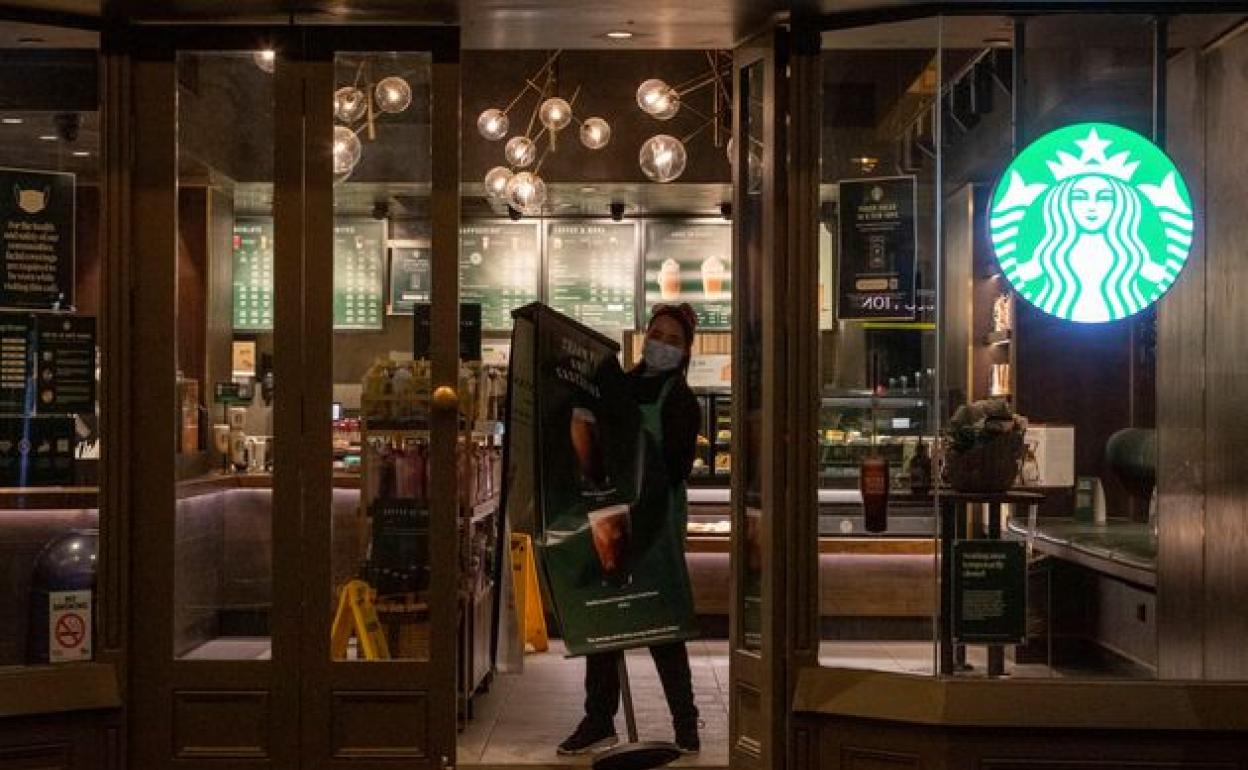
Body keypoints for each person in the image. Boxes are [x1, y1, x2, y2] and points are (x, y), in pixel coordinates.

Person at [558, 303, 703, 756]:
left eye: (673, 340)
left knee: (662, 621)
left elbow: (677, 467)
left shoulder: (681, 400)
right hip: (609, 517)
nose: (662, 343)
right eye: (657, 334)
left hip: (655, 524)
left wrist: (632, 459)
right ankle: (599, 719)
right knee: (605, 615)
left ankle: (686, 722)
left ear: (684, 352)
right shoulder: (615, 386)